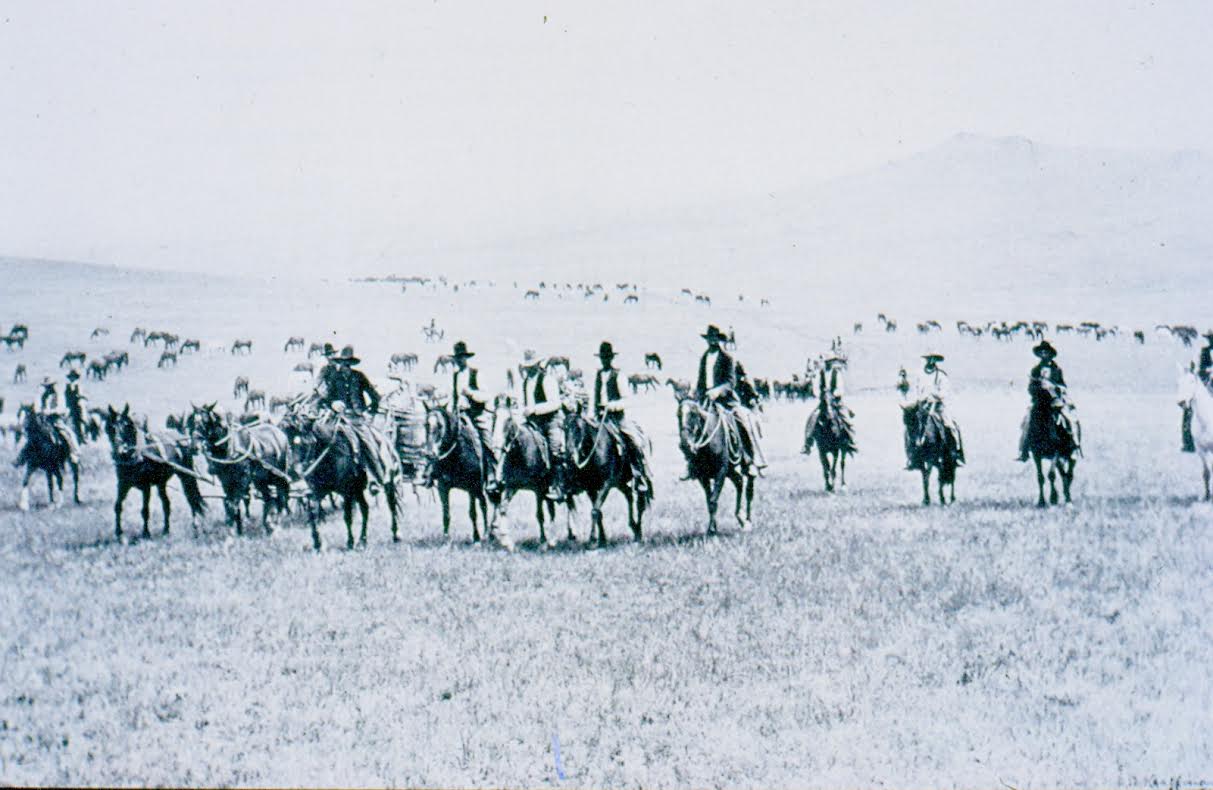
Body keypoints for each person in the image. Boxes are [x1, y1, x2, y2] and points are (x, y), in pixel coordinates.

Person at [694, 324, 766, 476]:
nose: (712, 341)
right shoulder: (704, 358)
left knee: (742, 422)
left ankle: (750, 460)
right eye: (709, 338)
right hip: (706, 401)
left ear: (719, 340)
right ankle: (693, 464)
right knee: (691, 424)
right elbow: (701, 381)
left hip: (726, 401)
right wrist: (697, 395)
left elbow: (731, 382)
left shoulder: (727, 358)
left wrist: (717, 391)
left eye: (715, 338)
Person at [315, 345, 389, 484]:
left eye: (348, 363)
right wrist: (333, 404)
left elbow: (374, 396)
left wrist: (370, 412)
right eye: (343, 363)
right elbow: (327, 397)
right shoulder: (335, 377)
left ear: (351, 364)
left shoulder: (359, 376)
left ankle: (378, 479)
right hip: (339, 419)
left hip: (357, 419)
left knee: (369, 445)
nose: (345, 366)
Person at [593, 341, 654, 492]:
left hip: (617, 419)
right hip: (600, 418)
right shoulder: (598, 375)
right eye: (602, 357)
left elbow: (627, 399)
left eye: (607, 357)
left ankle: (639, 474)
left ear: (611, 358)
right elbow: (596, 397)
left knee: (634, 441)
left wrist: (612, 406)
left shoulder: (619, 375)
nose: (604, 360)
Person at [514, 349, 566, 499]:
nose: (529, 369)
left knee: (555, 450)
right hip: (531, 424)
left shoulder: (547, 380)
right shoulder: (524, 383)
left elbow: (555, 404)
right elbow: (521, 405)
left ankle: (558, 486)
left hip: (550, 422)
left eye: (532, 366)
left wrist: (535, 410)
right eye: (527, 366)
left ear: (538, 365)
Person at [449, 341, 496, 490]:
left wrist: (471, 394)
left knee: (486, 442)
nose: (459, 360)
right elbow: (453, 398)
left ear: (466, 358)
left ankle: (492, 475)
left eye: (462, 357)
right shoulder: (455, 376)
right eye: (457, 358)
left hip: (476, 415)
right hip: (459, 415)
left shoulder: (476, 374)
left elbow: (486, 396)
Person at [907, 353, 965, 470]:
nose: (930, 361)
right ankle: (913, 456)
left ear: (936, 361)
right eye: (928, 359)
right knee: (912, 426)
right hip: (923, 405)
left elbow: (944, 393)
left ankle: (956, 452)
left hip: (938, 406)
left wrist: (935, 395)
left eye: (933, 359)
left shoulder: (941, 376)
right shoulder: (919, 374)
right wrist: (920, 399)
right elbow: (916, 390)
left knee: (952, 426)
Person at [1016, 340, 1068, 462]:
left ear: (1050, 354)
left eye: (1046, 352)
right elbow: (1030, 387)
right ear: (1039, 354)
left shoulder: (1057, 370)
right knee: (1027, 422)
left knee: (1068, 420)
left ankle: (1070, 447)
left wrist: (1055, 387)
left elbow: (1063, 385)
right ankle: (1024, 450)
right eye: (1042, 352)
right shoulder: (1035, 370)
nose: (1044, 354)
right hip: (1039, 402)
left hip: (1054, 402)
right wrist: (1038, 389)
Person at [804, 355, 856, 453]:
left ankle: (850, 440)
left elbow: (840, 388)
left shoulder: (837, 374)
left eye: (831, 361)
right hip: (824, 401)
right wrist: (821, 394)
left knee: (845, 419)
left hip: (836, 402)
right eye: (827, 361)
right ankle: (807, 443)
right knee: (812, 418)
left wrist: (834, 394)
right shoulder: (820, 374)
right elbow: (816, 388)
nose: (829, 363)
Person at [1182, 330, 1213, 452]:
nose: (1211, 341)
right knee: (1189, 409)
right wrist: (1206, 372)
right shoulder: (1203, 352)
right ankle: (1188, 442)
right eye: (1210, 338)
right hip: (1206, 386)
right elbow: (1198, 369)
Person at [64, 368, 87, 443]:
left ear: (76, 377)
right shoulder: (67, 386)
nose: (72, 378)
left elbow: (82, 396)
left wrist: (80, 398)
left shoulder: (79, 386)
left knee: (80, 420)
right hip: (69, 406)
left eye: (73, 377)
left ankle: (82, 436)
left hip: (77, 406)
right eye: (71, 377)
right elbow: (65, 397)